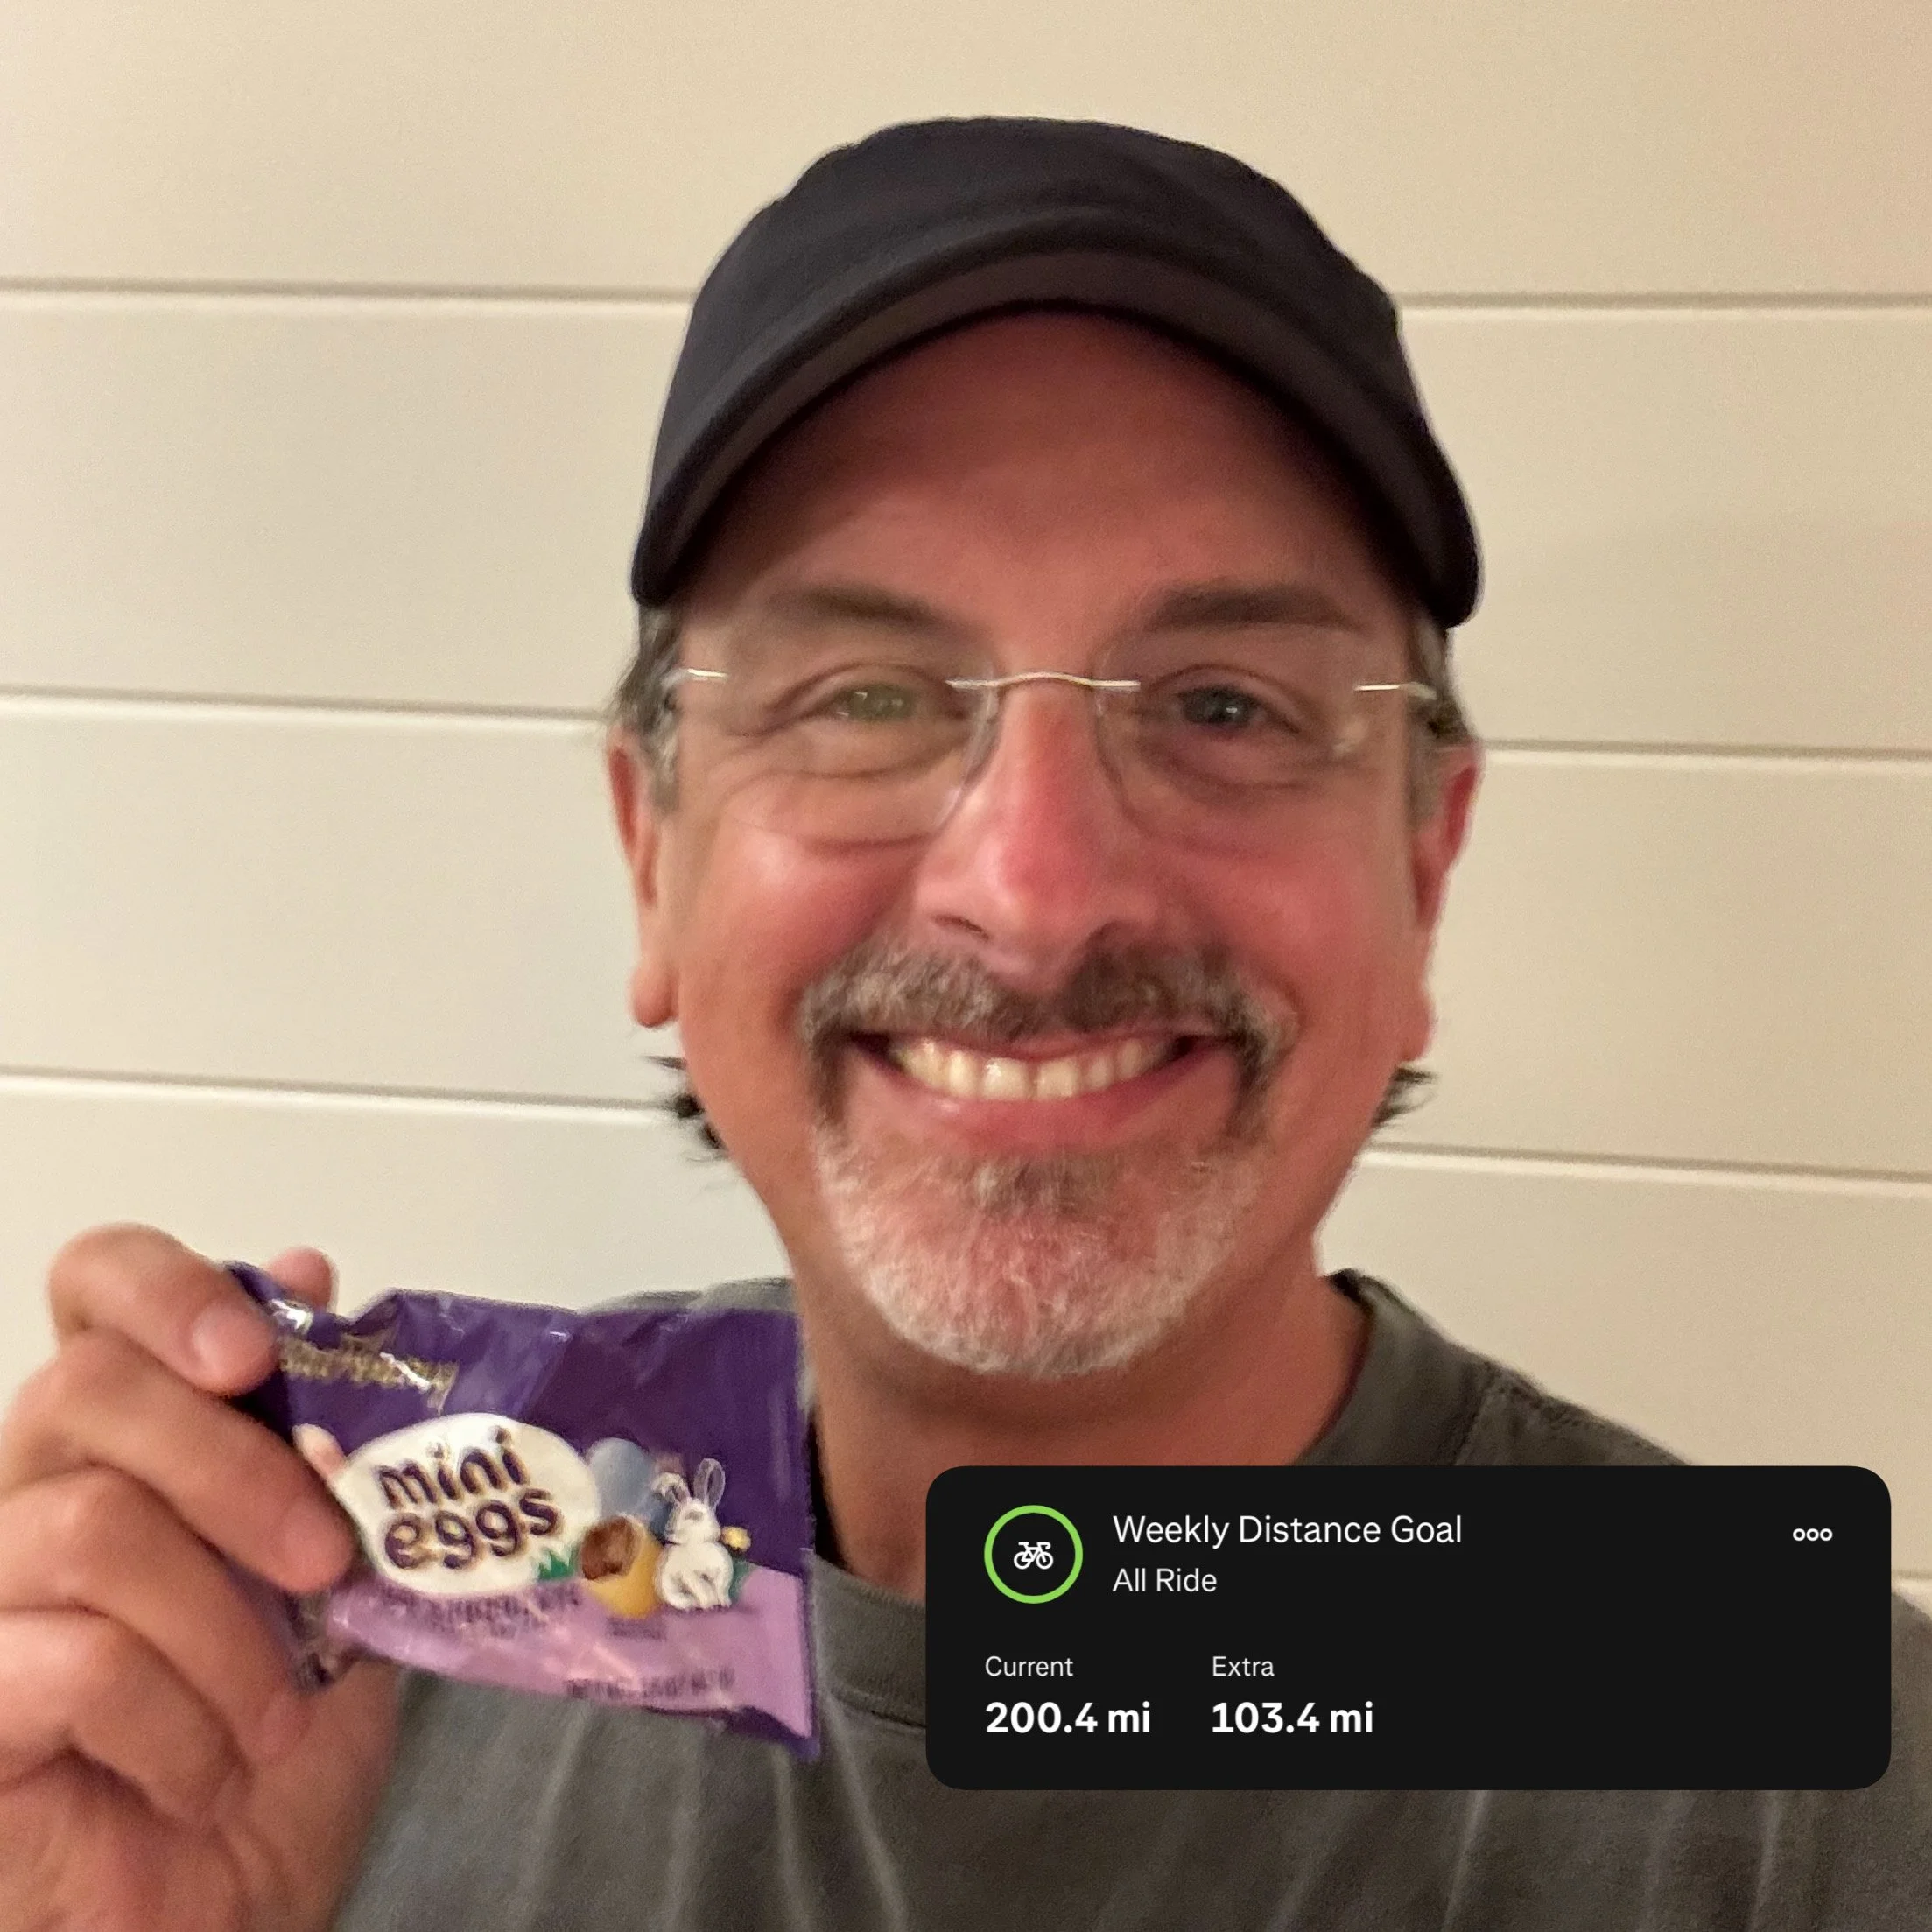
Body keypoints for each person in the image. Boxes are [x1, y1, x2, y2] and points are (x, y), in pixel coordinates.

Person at [1, 116, 1926, 1932]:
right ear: (652, 854)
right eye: (862, 695)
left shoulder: (1809, 1770)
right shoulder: (330, 1648)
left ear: (1422, 865)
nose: (1034, 889)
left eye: (1225, 704)